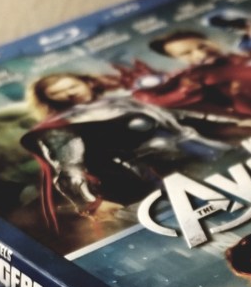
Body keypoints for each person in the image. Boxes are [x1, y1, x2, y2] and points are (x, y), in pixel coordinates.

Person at [20, 71, 234, 237]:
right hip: (147, 185)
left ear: (88, 83)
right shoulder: (57, 128)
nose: (69, 93)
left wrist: (237, 123)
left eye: (72, 86)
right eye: (56, 92)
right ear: (48, 99)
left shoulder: (123, 102)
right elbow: (68, 169)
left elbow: (180, 118)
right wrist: (91, 202)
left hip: (202, 160)